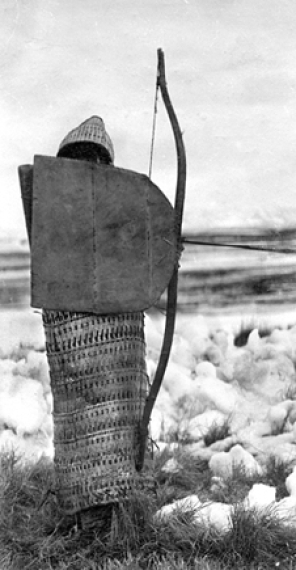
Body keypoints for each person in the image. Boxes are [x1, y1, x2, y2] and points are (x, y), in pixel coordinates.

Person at [21, 116, 149, 535]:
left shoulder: (119, 212)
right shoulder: (56, 212)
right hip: (72, 341)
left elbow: (140, 255)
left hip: (117, 344)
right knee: (80, 430)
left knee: (117, 427)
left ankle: (115, 521)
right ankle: (89, 522)